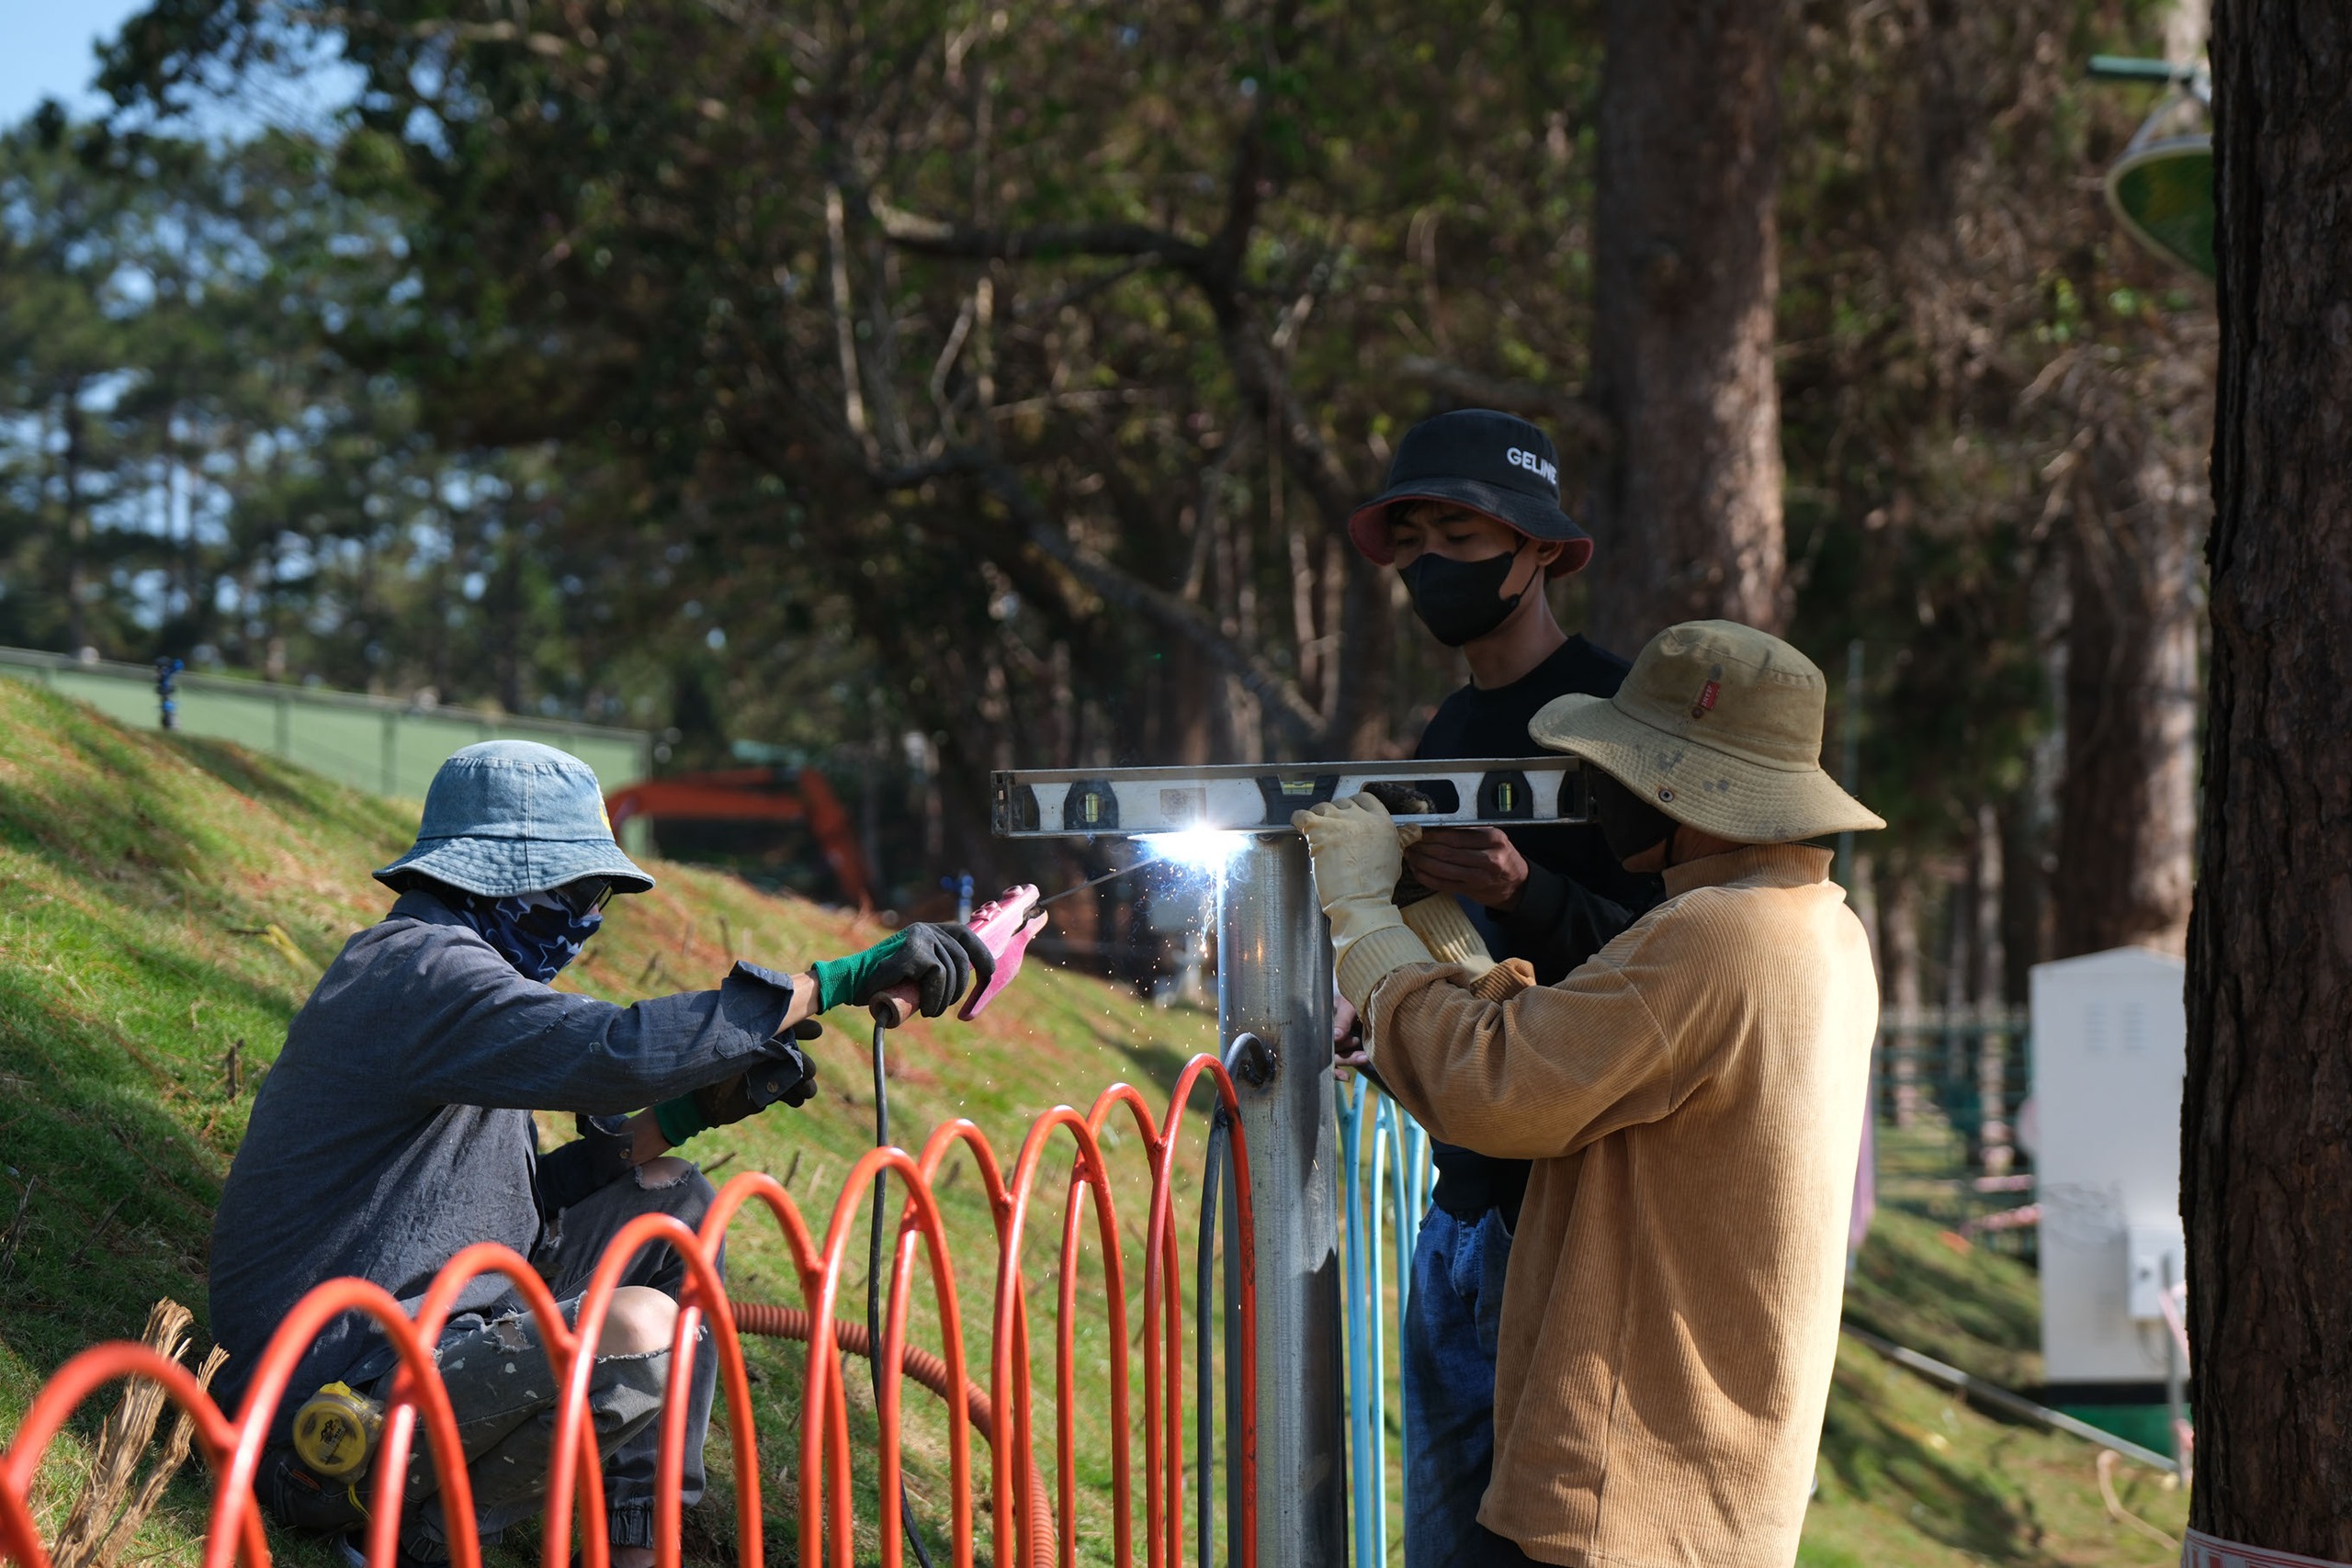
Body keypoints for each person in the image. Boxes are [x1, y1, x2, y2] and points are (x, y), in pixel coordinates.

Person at [209, 740, 992, 1568]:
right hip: (325, 1416)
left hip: (417, 1348)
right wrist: (833, 980)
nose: (587, 919)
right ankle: (407, 1537)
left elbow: (510, 1212)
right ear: (502, 875)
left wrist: (689, 1111)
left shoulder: (455, 977)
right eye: (577, 891)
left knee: (673, 1210)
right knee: (640, 1331)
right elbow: (615, 1050)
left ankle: (636, 1542)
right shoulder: (419, 971)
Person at [1296, 621, 1884, 1566]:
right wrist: (1435, 928)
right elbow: (1588, 1055)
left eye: (1621, 765)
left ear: (1687, 785)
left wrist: (1361, 913)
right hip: (1713, 1491)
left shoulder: (1709, 936)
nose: (1601, 788)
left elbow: (1495, 1087)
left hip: (1616, 1496)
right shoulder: (1821, 929)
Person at [1342, 407, 1660, 1566]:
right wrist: (1373, 1005)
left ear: (1540, 551)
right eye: (1414, 536)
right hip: (1459, 1215)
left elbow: (1677, 969)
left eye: (1461, 536)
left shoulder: (1626, 725)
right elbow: (1448, 951)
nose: (1431, 564)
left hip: (1575, 1227)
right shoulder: (1443, 732)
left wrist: (1530, 893)